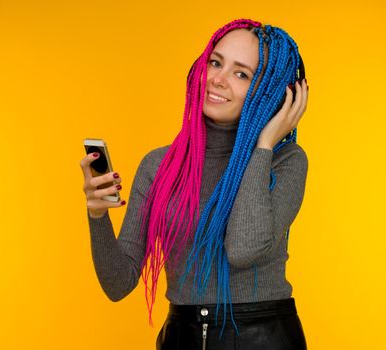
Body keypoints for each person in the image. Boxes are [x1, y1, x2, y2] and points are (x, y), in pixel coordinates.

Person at [80, 18, 309, 350]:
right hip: (182, 337)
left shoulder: (284, 161)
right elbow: (118, 284)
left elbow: (243, 249)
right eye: (215, 62)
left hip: (262, 338)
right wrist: (98, 215)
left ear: (269, 92)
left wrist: (263, 145)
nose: (216, 79)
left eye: (241, 73)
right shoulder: (159, 165)